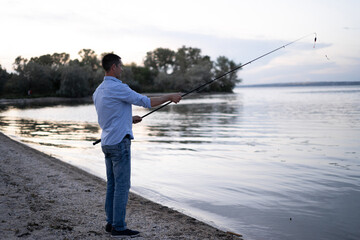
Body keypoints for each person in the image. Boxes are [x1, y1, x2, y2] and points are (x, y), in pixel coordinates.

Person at [93, 53, 181, 238]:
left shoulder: (98, 91)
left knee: (112, 185)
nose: (122, 69)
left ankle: (111, 223)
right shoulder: (119, 87)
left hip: (107, 142)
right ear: (114, 67)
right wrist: (170, 96)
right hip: (119, 143)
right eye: (120, 66)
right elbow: (146, 102)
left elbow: (108, 117)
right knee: (122, 186)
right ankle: (118, 227)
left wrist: (128, 118)